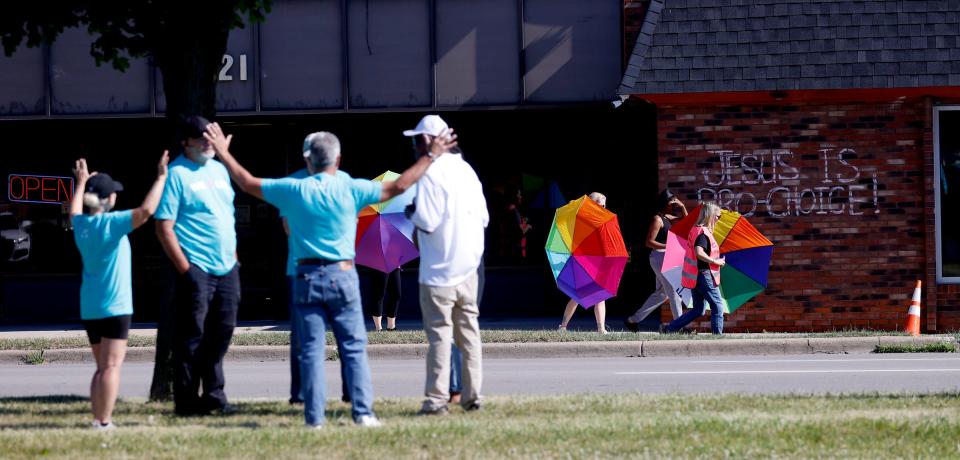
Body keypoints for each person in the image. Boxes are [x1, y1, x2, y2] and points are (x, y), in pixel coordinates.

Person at [204, 122, 454, 428]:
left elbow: (246, 182)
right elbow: (398, 186)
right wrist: (430, 156)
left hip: (305, 276)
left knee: (310, 350)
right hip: (344, 274)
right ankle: (363, 413)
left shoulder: (293, 189)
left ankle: (314, 418)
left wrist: (223, 153)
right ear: (338, 160)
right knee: (353, 346)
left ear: (308, 161)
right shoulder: (350, 186)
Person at [71, 152, 169, 430]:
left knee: (102, 368)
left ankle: (97, 419)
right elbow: (146, 212)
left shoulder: (82, 227)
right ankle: (104, 422)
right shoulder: (111, 225)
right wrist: (161, 177)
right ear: (108, 200)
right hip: (115, 306)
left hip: (90, 307)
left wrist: (80, 182)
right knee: (111, 368)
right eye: (112, 193)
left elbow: (74, 211)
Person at [155, 115, 241, 416]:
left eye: (210, 138)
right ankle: (188, 401)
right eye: (201, 138)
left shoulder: (219, 169)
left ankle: (214, 394)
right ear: (186, 142)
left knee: (223, 330)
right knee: (191, 336)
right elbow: (163, 226)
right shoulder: (177, 173)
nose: (208, 143)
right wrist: (185, 269)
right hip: (196, 268)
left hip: (227, 266)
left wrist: (234, 256)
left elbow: (225, 216)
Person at [403, 115, 488, 415]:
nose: (414, 146)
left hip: (438, 271)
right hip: (469, 268)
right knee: (469, 334)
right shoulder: (468, 171)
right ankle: (472, 395)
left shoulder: (429, 173)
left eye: (416, 140)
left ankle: (436, 400)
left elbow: (426, 220)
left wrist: (412, 213)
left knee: (440, 336)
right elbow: (484, 219)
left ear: (428, 141)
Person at [282, 136, 350, 405]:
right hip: (300, 269)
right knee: (302, 339)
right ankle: (299, 395)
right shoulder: (294, 184)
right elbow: (287, 225)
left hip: (338, 270)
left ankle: (350, 393)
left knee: (347, 338)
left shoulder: (343, 180)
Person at [624, 189, 688, 332]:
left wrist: (683, 207)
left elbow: (686, 221)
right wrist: (668, 245)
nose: (674, 205)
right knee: (673, 290)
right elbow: (649, 242)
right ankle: (679, 326)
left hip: (667, 256)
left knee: (661, 293)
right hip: (659, 257)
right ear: (665, 204)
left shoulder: (669, 217)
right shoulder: (658, 219)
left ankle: (632, 320)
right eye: (672, 202)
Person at [661, 202, 726, 335]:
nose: (718, 220)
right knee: (718, 306)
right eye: (718, 217)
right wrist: (716, 261)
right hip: (704, 275)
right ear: (711, 216)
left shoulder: (696, 230)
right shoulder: (703, 233)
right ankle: (717, 337)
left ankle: (670, 328)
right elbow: (698, 252)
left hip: (695, 276)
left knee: (698, 309)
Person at [557, 192, 609, 334]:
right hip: (584, 260)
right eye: (601, 204)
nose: (604, 208)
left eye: (605, 205)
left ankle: (601, 328)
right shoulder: (582, 218)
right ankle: (563, 326)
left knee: (599, 295)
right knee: (577, 295)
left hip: (596, 261)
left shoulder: (600, 219)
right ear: (593, 204)